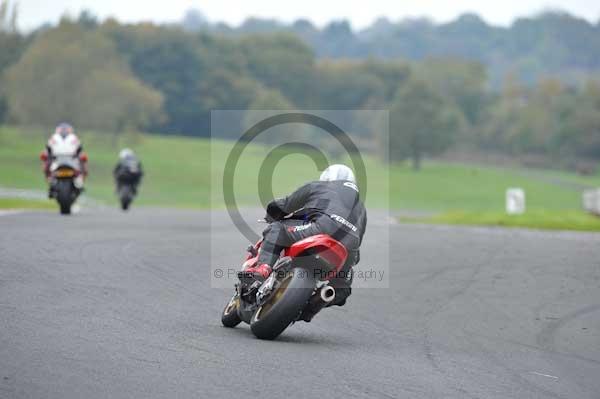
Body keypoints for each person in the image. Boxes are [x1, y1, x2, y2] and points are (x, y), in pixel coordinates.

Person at [244, 164, 367, 314]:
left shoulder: (318, 186)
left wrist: (271, 212)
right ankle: (318, 301)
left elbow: (285, 205)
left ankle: (263, 268)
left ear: (327, 178)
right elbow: (359, 241)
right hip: (349, 247)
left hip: (322, 229)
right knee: (341, 289)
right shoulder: (361, 207)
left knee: (277, 229)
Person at [40, 123, 88, 197]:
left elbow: (80, 150)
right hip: (57, 162)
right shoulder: (54, 138)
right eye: (63, 130)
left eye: (66, 130)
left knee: (82, 167)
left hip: (71, 161)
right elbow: (47, 151)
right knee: (47, 166)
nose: (64, 131)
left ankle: (79, 183)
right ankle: (50, 182)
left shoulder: (73, 138)